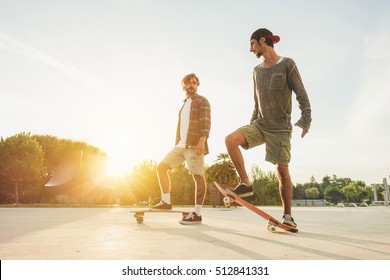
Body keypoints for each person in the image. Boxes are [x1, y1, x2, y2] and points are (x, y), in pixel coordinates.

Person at [225, 28, 312, 228]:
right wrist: (251, 124)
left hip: (280, 129)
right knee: (231, 140)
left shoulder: (287, 64)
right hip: (260, 124)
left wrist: (306, 119)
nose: (250, 49)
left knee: (281, 170)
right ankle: (245, 183)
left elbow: (301, 93)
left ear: (263, 41)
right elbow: (256, 101)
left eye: (252, 44)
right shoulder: (256, 71)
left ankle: (288, 216)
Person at [152, 73, 211, 225]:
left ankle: (197, 213)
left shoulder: (202, 101)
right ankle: (166, 202)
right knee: (161, 168)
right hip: (180, 145)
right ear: (183, 86)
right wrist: (178, 143)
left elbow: (205, 122)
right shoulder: (184, 104)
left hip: (194, 144)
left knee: (198, 176)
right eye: (188, 83)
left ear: (197, 85)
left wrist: (202, 142)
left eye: (194, 83)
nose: (192, 85)